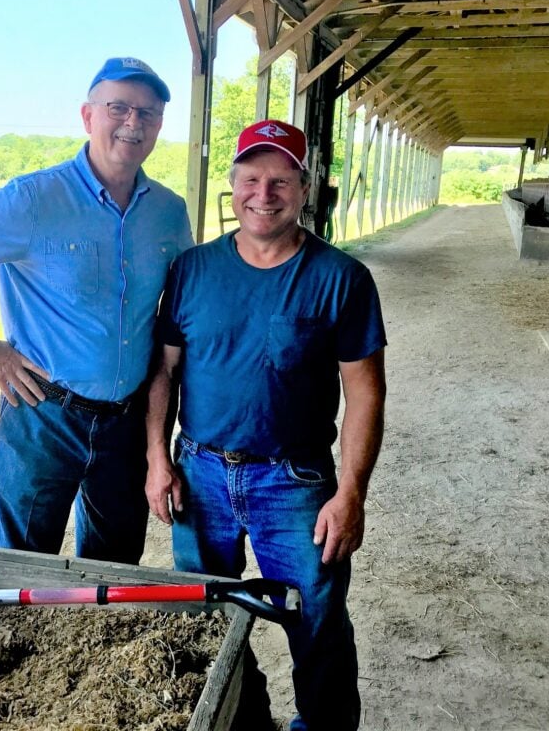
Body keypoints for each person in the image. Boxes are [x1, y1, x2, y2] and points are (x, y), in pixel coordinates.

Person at [0, 57, 193, 565]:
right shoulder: (34, 198)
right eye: (117, 107)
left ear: (160, 124)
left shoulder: (168, 211)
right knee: (18, 563)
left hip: (127, 420)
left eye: (147, 112)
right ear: (87, 116)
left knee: (113, 569)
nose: (133, 122)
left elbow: (181, 305)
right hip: (43, 414)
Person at [145, 120, 386, 730]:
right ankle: (242, 719)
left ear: (305, 189)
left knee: (317, 621)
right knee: (204, 616)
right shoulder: (192, 270)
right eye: (250, 178)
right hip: (199, 473)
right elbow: (164, 374)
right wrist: (158, 458)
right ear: (231, 186)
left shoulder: (341, 278)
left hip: (296, 481)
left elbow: (364, 391)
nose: (264, 193)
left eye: (281, 180)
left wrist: (351, 493)